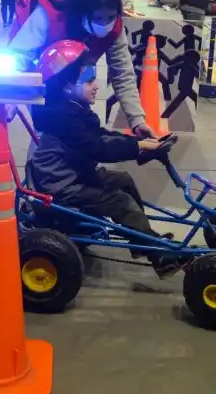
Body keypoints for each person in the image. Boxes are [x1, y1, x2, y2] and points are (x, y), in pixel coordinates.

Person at [29, 40, 182, 277]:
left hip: (75, 173)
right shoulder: (63, 118)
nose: (96, 86)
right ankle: (158, 255)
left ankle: (142, 238)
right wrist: (137, 146)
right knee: (120, 202)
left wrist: (136, 140)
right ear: (68, 86)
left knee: (124, 180)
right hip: (63, 184)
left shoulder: (71, 110)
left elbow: (100, 135)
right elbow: (98, 148)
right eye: (89, 80)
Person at [8, 0, 153, 138]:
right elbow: (18, 56)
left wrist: (137, 120)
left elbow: (122, 73)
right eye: (97, 17)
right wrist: (11, 94)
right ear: (81, 11)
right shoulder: (50, 13)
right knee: (49, 135)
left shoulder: (115, 27)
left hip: (78, 76)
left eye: (110, 17)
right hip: (42, 76)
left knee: (81, 131)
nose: (104, 24)